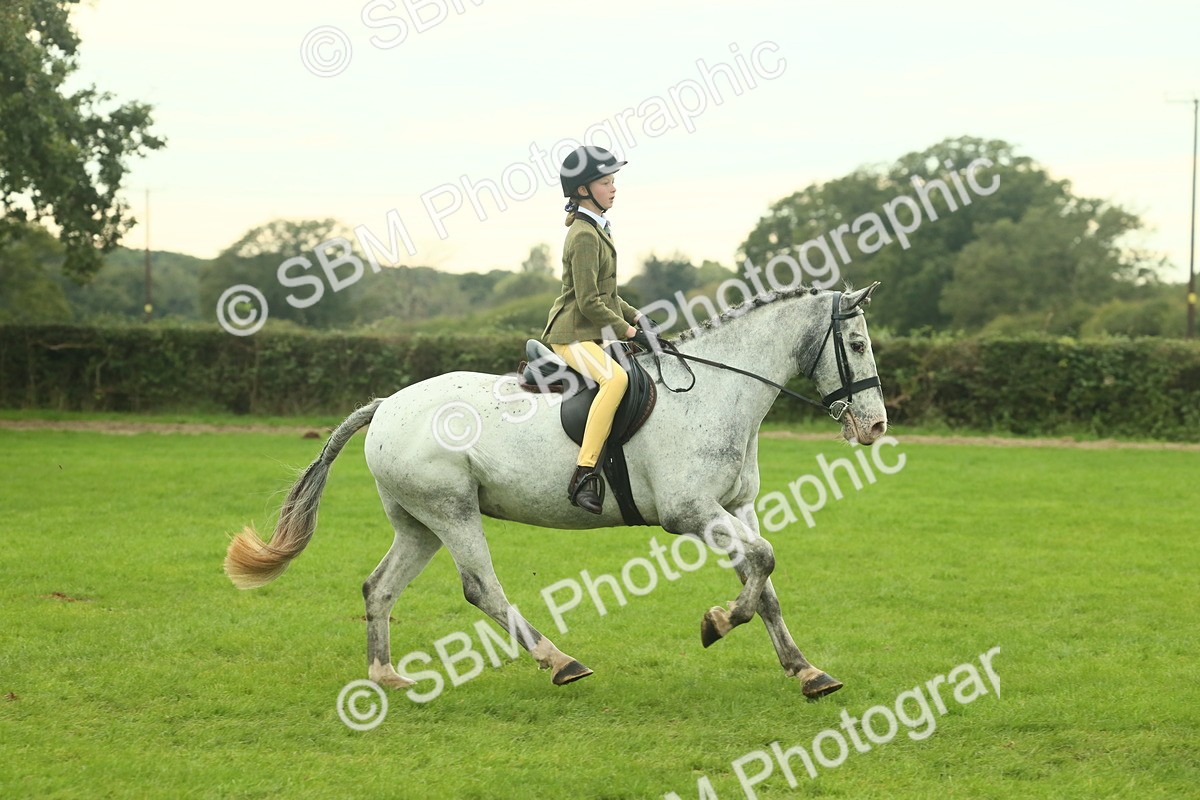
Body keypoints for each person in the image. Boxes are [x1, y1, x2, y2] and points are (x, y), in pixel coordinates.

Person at [543, 145, 653, 515]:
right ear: (584, 190)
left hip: (589, 332)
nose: (614, 188)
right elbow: (590, 302)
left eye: (613, 181)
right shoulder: (585, 235)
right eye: (606, 182)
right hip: (570, 335)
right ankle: (584, 471)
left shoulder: (598, 228)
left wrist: (637, 318)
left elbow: (610, 295)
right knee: (616, 380)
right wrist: (627, 332)